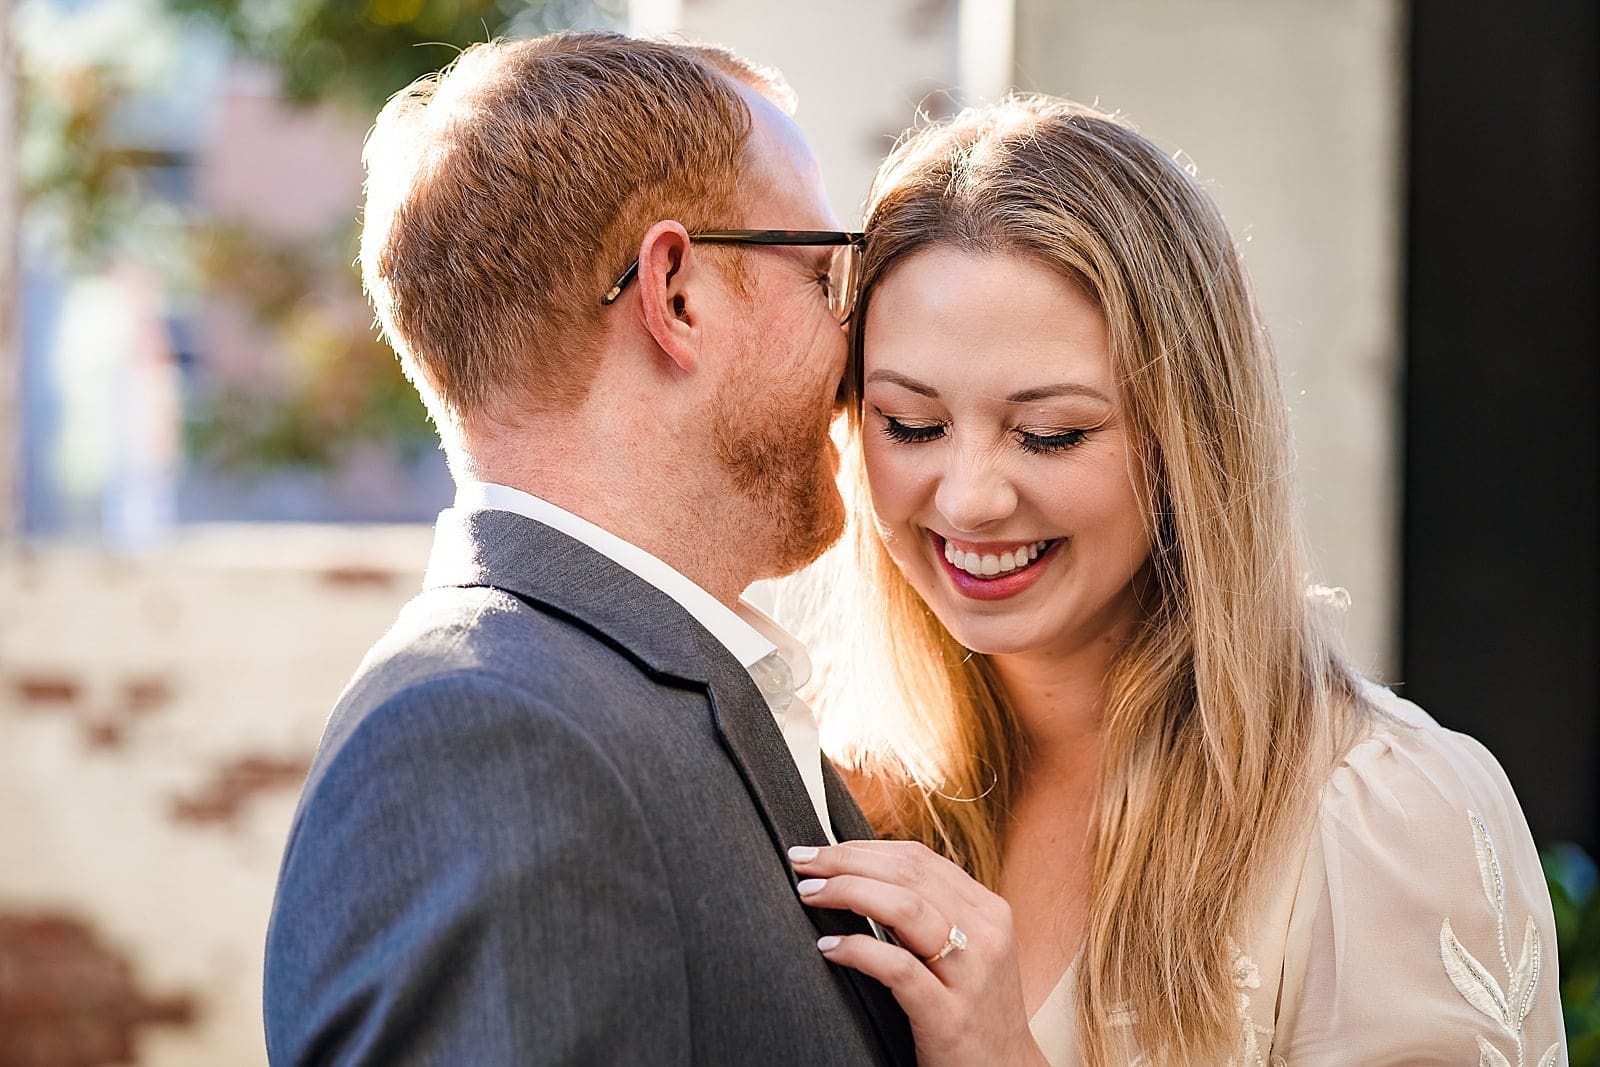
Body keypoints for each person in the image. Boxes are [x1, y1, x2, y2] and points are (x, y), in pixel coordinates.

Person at [785, 96, 1567, 1066]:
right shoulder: (835, 789)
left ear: (1187, 438)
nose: (972, 497)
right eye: (911, 422)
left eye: (1050, 432)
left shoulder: (1384, 814)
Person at [262, 32, 914, 1065]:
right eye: (824, 274)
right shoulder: (487, 739)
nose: (855, 350)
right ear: (677, 293)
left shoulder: (611, 695)